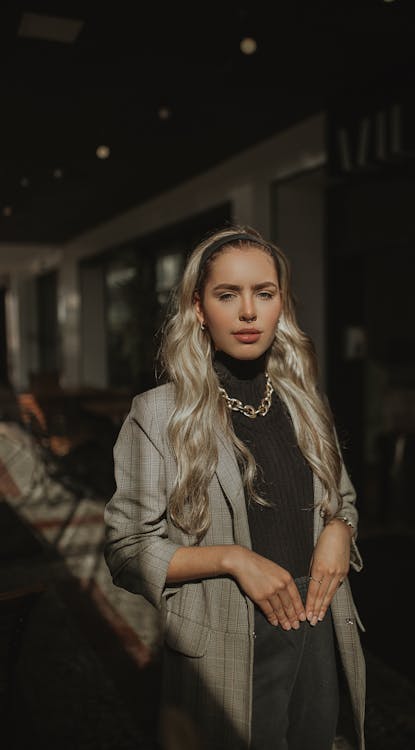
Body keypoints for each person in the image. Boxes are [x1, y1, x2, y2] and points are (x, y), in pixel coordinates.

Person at [104, 225, 366, 750]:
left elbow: (344, 500)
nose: (248, 312)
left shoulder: (304, 400)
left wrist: (340, 528)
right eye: (228, 295)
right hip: (230, 639)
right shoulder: (158, 414)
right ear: (199, 308)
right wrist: (233, 559)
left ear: (279, 305)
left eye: (263, 294)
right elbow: (128, 548)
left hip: (320, 626)